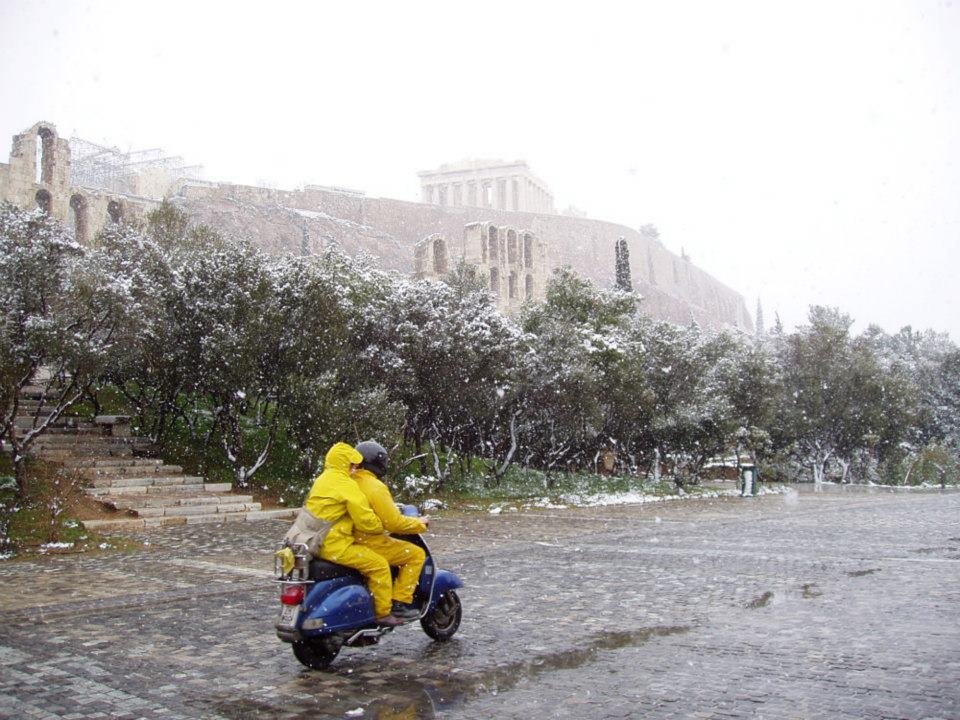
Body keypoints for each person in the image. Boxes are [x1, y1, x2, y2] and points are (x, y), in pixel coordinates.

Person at [285, 441, 405, 627]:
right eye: (352, 465)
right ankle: (383, 614)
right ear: (344, 464)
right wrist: (383, 526)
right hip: (334, 545)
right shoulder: (347, 486)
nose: (355, 469)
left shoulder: (322, 479)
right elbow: (365, 520)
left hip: (311, 541)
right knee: (379, 565)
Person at [352, 440, 429, 620]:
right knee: (416, 555)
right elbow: (393, 523)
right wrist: (420, 523)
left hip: (348, 540)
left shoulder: (348, 481)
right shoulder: (375, 487)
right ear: (376, 463)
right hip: (369, 541)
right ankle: (400, 603)